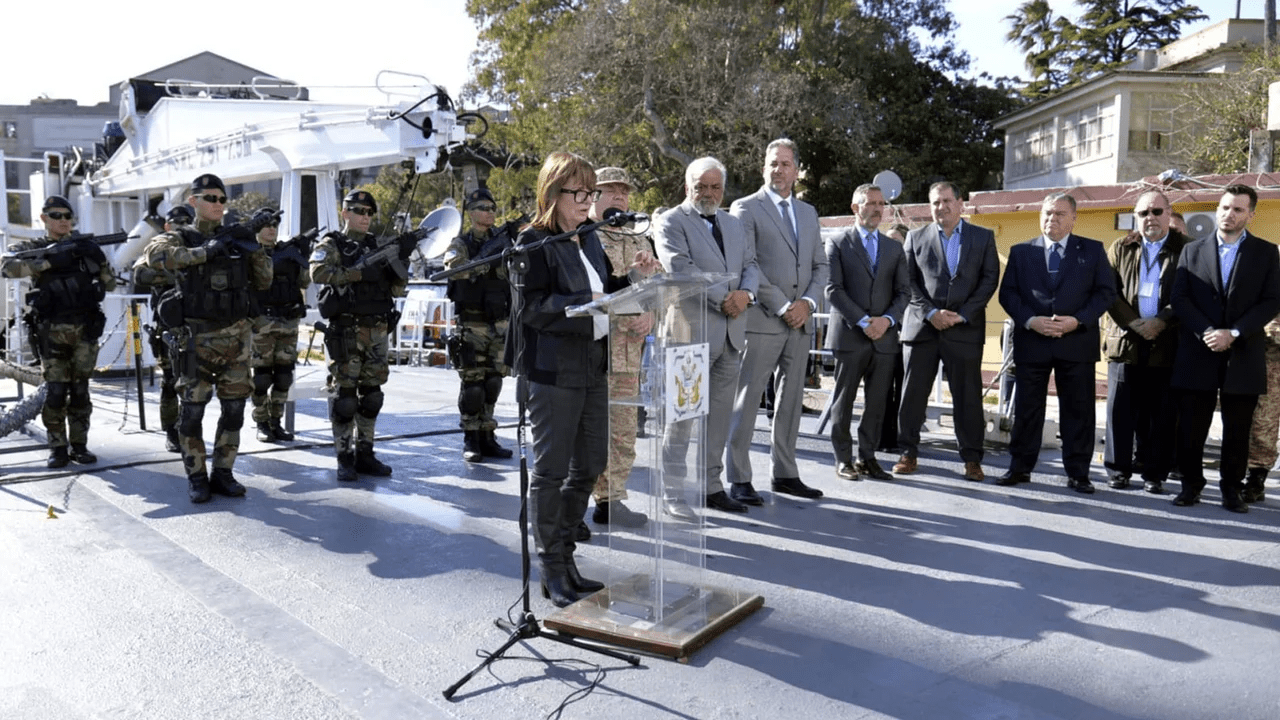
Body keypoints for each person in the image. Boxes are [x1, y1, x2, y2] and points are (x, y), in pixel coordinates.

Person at [516, 152, 659, 607]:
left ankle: (567, 556)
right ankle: (551, 569)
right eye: (578, 192)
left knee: (592, 463)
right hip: (554, 371)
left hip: (594, 366)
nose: (587, 201)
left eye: (590, 193)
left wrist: (636, 278)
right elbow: (532, 308)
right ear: (552, 193)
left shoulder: (589, 238)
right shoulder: (532, 242)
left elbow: (607, 291)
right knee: (552, 471)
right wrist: (587, 300)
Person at [142, 174, 273, 502]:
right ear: (194, 201)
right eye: (210, 198)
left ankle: (223, 472)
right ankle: (197, 476)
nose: (217, 204)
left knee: (233, 410)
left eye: (221, 199)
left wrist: (253, 246)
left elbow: (264, 281)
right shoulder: (180, 237)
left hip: (236, 340)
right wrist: (207, 251)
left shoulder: (239, 239)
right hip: (194, 341)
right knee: (193, 412)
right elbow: (156, 258)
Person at [652, 156, 760, 517]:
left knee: (718, 419)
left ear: (723, 189)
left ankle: (711, 487)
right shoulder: (670, 221)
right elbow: (681, 268)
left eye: (715, 187)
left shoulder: (733, 224)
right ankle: (672, 491)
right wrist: (724, 299)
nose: (708, 193)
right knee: (682, 418)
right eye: (701, 186)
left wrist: (745, 295)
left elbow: (751, 266)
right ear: (688, 187)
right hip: (689, 333)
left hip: (730, 335)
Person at [725, 138, 829, 503]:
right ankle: (738, 475)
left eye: (785, 164)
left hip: (801, 323)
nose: (778, 170)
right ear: (763, 167)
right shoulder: (745, 208)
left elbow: (821, 265)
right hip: (763, 320)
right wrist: (785, 305)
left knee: (791, 401)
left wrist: (808, 303)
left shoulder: (808, 213)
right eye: (772, 163)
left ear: (796, 170)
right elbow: (746, 265)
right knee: (748, 399)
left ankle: (785, 472)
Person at [1170, 184, 1280, 513]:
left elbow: (1271, 301)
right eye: (1224, 207)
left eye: (1237, 209)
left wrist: (1233, 332)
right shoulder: (1192, 250)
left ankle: (1231, 489)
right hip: (1199, 349)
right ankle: (1190, 486)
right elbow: (1180, 298)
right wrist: (1207, 331)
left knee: (1238, 427)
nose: (1228, 214)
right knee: (1191, 424)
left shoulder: (1265, 253)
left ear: (1250, 214)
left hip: (1243, 351)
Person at [996, 193, 1116, 493]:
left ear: (1073, 218)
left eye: (1060, 214)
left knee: (1078, 411)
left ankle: (1078, 473)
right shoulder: (1022, 251)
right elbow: (1008, 294)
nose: (1052, 219)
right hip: (1032, 342)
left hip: (1076, 342)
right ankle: (1020, 468)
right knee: (1026, 409)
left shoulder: (1092, 250)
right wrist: (1030, 321)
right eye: (1048, 213)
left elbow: (1105, 293)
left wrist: (1078, 320)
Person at [894, 181, 998, 482]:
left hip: (964, 330)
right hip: (923, 329)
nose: (942, 207)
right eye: (936, 202)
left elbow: (989, 280)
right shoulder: (915, 237)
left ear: (961, 203)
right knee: (912, 395)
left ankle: (972, 459)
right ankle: (908, 453)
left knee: (968, 398)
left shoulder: (983, 237)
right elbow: (907, 281)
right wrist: (930, 313)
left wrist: (962, 315)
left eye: (947, 201)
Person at [2, 195, 117, 468]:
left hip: (85, 330)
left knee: (80, 391)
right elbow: (8, 267)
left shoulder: (85, 248)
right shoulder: (35, 247)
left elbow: (110, 284)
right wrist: (51, 261)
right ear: (44, 219)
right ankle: (58, 447)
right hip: (51, 329)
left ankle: (79, 445)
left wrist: (97, 258)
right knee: (55, 392)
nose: (64, 221)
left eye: (68, 216)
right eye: (57, 216)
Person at [310, 190, 408, 483]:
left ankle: (365, 452)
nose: (365, 217)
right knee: (345, 398)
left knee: (372, 395)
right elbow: (317, 272)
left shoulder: (380, 245)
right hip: (347, 331)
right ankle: (344, 456)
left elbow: (397, 290)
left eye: (369, 212)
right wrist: (358, 273)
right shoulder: (332, 244)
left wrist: (399, 261)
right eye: (358, 210)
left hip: (377, 329)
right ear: (345, 213)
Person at [1100, 191, 1189, 494]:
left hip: (1168, 342)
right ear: (1135, 217)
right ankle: (1118, 470)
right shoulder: (1120, 247)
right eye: (1143, 213)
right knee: (1120, 411)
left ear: (1168, 213)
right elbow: (1108, 291)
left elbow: (1189, 293)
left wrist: (1162, 319)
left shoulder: (1188, 249)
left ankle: (1155, 474)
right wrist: (1135, 322)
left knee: (1163, 414)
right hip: (1126, 342)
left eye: (1156, 211)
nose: (1150, 218)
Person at [824, 184, 908, 481]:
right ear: (855, 207)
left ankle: (867, 456)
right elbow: (833, 289)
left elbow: (903, 292)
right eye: (870, 203)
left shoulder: (894, 248)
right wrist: (864, 321)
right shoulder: (837, 242)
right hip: (850, 335)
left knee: (877, 402)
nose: (876, 208)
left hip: (884, 338)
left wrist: (886, 321)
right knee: (843, 401)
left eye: (880, 203)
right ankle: (843, 459)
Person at [586, 166, 651, 528]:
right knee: (591, 431)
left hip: (630, 352)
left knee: (624, 431)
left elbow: (657, 283)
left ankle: (611, 500)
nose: (620, 198)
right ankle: (577, 500)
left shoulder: (640, 238)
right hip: (596, 350)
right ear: (593, 197)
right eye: (611, 191)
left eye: (624, 192)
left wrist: (653, 316)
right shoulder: (586, 238)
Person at [443, 187, 514, 463]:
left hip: (499, 323)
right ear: (471, 213)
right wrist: (486, 261)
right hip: (471, 324)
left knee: (493, 381)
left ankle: (487, 434)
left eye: (492, 208)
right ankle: (470, 437)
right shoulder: (460, 243)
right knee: (473, 385)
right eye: (484, 208)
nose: (490, 213)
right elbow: (455, 268)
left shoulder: (504, 242)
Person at [133, 204, 194, 453]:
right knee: (170, 381)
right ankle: (171, 430)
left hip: (194, 328)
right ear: (167, 226)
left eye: (186, 222)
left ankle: (189, 428)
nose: (181, 226)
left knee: (193, 383)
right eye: (176, 222)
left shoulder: (196, 249)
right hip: (167, 330)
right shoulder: (156, 250)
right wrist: (179, 270)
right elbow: (141, 274)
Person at [250, 207, 310, 443]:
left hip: (288, 320)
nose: (271, 228)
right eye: (266, 224)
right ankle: (261, 422)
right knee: (261, 378)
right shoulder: (251, 254)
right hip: (262, 322)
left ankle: (276, 422)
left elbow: (304, 282)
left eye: (275, 224)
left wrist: (305, 257)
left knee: (284, 377)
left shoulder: (288, 252)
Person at [878, 223, 910, 452]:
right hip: (884, 336)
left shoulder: (912, 270)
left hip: (907, 337)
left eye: (896, 240)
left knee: (904, 390)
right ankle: (881, 437)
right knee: (881, 389)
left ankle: (899, 436)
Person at [1244, 308, 1280, 504]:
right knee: (1260, 424)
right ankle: (1255, 478)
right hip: (1264, 360)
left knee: (1264, 423)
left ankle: (1257, 477)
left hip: (1272, 360)